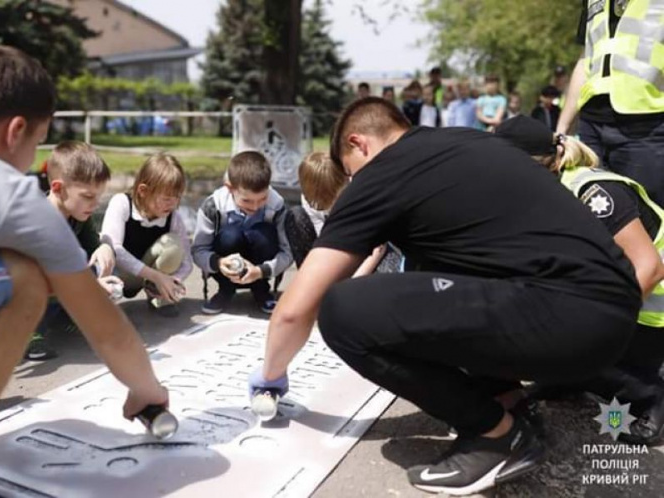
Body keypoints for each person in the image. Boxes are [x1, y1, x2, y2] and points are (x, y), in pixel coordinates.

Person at [248, 97, 640, 495]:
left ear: (359, 144)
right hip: (610, 317)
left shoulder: (385, 171)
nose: (353, 184)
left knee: (342, 308)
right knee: (426, 264)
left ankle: (496, 435)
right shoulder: (469, 143)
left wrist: (271, 374)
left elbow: (297, 310)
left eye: (350, 173)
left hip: (564, 316)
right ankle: (507, 400)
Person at [0, 46, 169, 498]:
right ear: (15, 131)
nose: (34, 157)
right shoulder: (10, 192)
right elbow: (106, 329)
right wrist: (148, 391)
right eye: (38, 144)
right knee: (18, 276)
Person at [495, 115, 664, 445]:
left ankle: (650, 399)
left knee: (569, 336)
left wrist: (591, 328)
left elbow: (651, 268)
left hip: (653, 311)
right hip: (631, 300)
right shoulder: (546, 190)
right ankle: (572, 377)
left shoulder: (594, 192)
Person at [557, 0, 664, 205]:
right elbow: (586, 58)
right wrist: (562, 130)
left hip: (647, 125)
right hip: (591, 126)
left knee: (650, 217)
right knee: (591, 213)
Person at [27, 141, 124, 361]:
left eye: (99, 197)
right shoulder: (35, 221)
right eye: (88, 196)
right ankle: (30, 333)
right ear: (58, 189)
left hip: (56, 293)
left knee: (92, 266)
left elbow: (93, 245)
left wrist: (104, 248)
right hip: (24, 295)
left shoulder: (77, 215)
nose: (96, 204)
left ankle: (66, 319)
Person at [192, 151, 292, 315]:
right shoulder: (212, 206)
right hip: (225, 265)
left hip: (261, 266)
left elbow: (287, 252)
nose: (255, 207)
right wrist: (219, 263)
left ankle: (261, 290)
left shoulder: (277, 205)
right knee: (231, 234)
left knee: (264, 232)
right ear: (230, 188)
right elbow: (198, 250)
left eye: (262, 199)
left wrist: (262, 271)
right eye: (247, 201)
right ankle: (225, 290)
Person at [100, 153, 193, 312]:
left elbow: (187, 261)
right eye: (166, 198)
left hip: (149, 277)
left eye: (177, 197)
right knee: (106, 252)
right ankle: (101, 298)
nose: (172, 203)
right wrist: (156, 276)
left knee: (173, 245)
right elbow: (114, 249)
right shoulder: (121, 203)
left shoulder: (173, 218)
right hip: (121, 275)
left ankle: (158, 295)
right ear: (143, 191)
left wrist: (172, 282)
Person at [284, 152, 401, 274]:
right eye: (330, 198)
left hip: (366, 256)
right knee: (295, 216)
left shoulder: (361, 191)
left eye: (339, 194)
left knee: (389, 268)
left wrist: (357, 277)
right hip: (331, 260)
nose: (336, 202)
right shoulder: (310, 205)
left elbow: (378, 246)